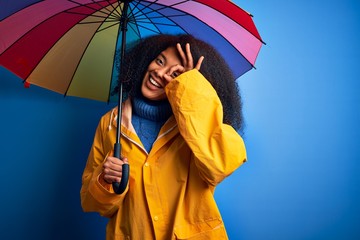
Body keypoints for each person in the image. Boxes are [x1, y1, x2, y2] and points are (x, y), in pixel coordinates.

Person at [80, 34, 247, 240]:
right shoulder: (109, 124)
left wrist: (190, 89)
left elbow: (219, 165)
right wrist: (105, 180)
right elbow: (91, 203)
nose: (159, 73)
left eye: (176, 73)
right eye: (159, 61)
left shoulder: (202, 126)